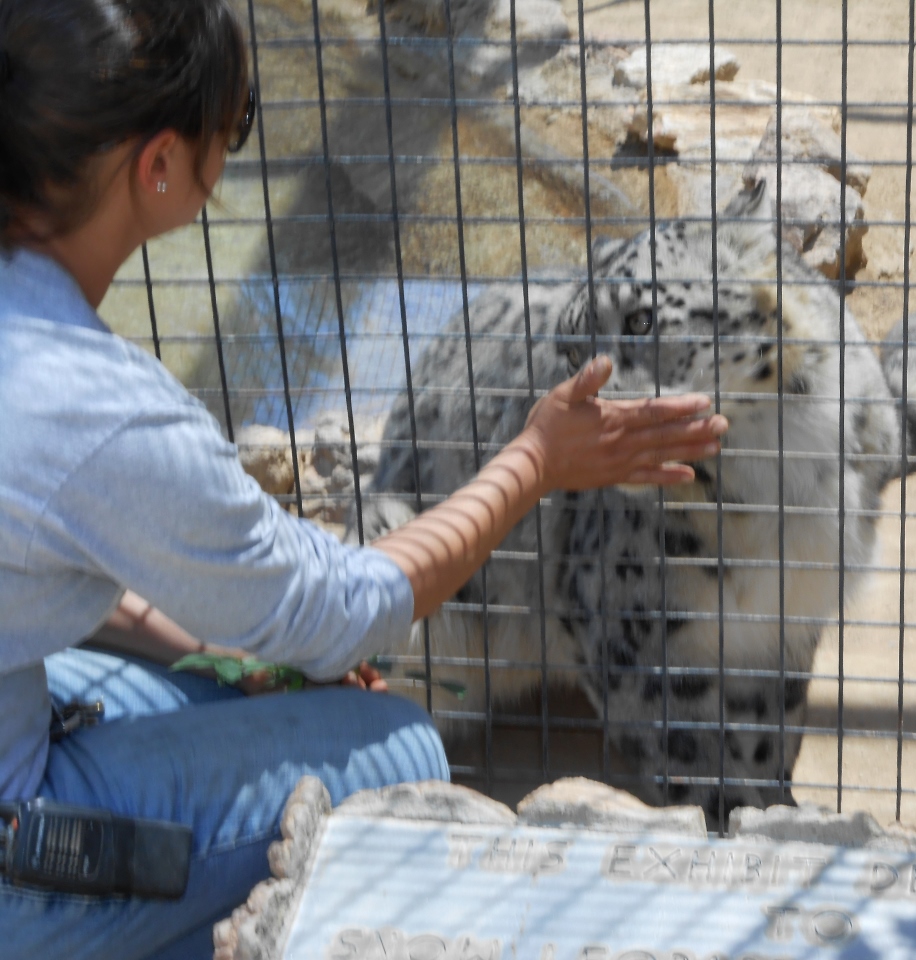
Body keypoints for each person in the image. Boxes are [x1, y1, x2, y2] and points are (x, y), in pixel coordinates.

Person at [0, 0, 729, 955]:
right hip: (22, 849)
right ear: (161, 163)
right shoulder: (102, 413)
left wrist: (248, 655)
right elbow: (349, 605)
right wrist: (536, 461)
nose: (241, 143)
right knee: (394, 745)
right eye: (240, 119)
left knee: (243, 683)